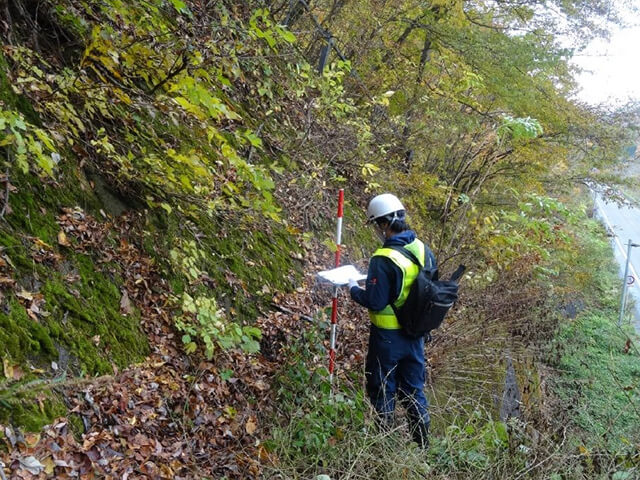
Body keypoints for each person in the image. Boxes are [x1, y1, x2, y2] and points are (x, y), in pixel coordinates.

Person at [347, 193, 432, 448]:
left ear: (384, 224)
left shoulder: (383, 258)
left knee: (382, 390)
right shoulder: (422, 249)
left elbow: (375, 301)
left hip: (387, 339)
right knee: (414, 391)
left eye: (376, 224)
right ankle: (423, 447)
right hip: (416, 335)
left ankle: (384, 448)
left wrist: (352, 288)